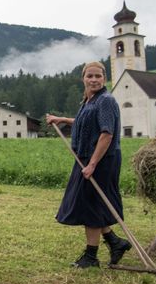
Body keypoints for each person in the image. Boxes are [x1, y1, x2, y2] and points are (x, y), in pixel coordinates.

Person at [46, 61, 131, 268]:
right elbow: (86, 122)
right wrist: (63, 119)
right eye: (90, 76)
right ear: (83, 78)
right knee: (90, 203)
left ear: (104, 79)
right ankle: (115, 242)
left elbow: (106, 134)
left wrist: (92, 164)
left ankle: (91, 257)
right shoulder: (89, 100)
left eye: (98, 76)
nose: (94, 80)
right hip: (86, 158)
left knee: (91, 206)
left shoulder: (106, 101)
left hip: (102, 160)